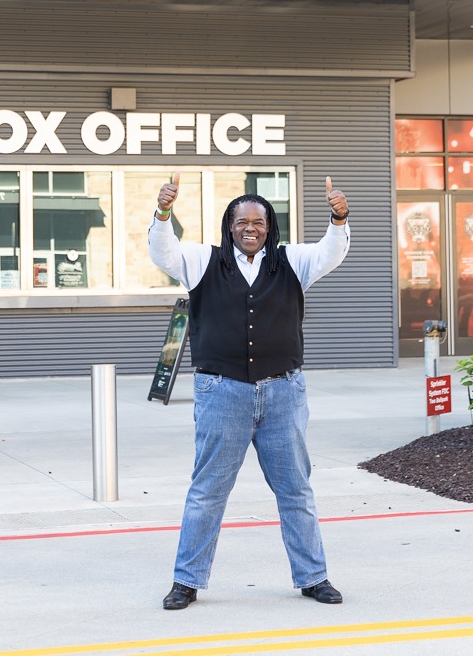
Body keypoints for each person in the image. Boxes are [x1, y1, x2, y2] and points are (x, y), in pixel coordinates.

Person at [149, 173, 350, 611]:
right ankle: (186, 581)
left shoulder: (292, 261)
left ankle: (313, 577)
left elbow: (331, 252)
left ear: (269, 226)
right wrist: (163, 213)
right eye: (241, 222)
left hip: (284, 393)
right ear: (230, 226)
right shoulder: (203, 260)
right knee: (207, 490)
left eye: (258, 222)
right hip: (222, 393)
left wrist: (338, 218)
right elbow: (162, 251)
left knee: (296, 489)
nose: (250, 229)